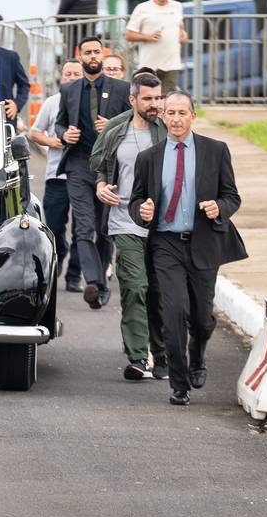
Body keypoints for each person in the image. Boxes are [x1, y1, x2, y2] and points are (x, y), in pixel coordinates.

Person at [129, 91, 247, 406]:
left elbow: (232, 196)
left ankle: (198, 357)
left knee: (201, 319)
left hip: (204, 242)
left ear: (193, 116)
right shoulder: (149, 158)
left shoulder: (216, 151)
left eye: (183, 113)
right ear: (163, 117)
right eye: (171, 113)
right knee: (174, 313)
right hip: (166, 244)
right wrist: (143, 210)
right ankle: (179, 385)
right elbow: (136, 201)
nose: (177, 119)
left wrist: (218, 207)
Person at [91, 72, 168, 380]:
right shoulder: (115, 129)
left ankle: (161, 352)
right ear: (133, 99)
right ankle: (137, 357)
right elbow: (97, 163)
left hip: (164, 225)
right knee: (136, 287)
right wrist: (100, 185)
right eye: (147, 98)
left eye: (158, 98)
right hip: (124, 221)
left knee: (159, 292)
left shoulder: (168, 129)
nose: (155, 104)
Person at [51, 36, 131, 309]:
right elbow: (60, 124)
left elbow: (134, 124)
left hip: (109, 168)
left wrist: (113, 125)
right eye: (88, 52)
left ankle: (103, 283)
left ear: (102, 54)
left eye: (97, 51)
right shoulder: (69, 90)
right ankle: (94, 283)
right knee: (83, 226)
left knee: (103, 228)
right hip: (78, 164)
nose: (93, 56)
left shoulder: (121, 89)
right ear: (80, 55)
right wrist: (65, 134)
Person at [30, 58, 84, 292]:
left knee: (83, 229)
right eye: (68, 74)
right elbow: (34, 132)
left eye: (76, 74)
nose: (72, 78)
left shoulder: (89, 104)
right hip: (56, 175)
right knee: (53, 226)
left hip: (84, 176)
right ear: (62, 78)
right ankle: (59, 252)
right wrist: (54, 141)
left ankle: (75, 275)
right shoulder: (53, 102)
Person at [125, 0, 187, 93]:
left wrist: (182, 33)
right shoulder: (142, 8)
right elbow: (128, 35)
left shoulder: (177, 6)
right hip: (149, 65)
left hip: (171, 64)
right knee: (148, 98)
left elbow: (180, 25)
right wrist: (147, 37)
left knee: (168, 100)